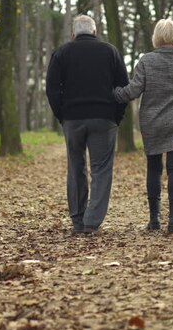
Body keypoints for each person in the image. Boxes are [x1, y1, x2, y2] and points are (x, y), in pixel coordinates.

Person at [113, 19, 173, 233]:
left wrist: (113, 94)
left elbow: (133, 91)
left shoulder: (146, 61)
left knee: (154, 169)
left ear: (156, 37)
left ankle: (154, 219)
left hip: (152, 123)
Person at [46, 15, 129, 234]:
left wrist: (62, 116)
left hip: (72, 119)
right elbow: (124, 87)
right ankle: (92, 223)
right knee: (101, 169)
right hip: (104, 118)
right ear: (95, 31)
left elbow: (52, 89)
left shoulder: (61, 53)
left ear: (73, 34)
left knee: (76, 167)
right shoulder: (110, 51)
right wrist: (116, 116)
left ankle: (78, 220)